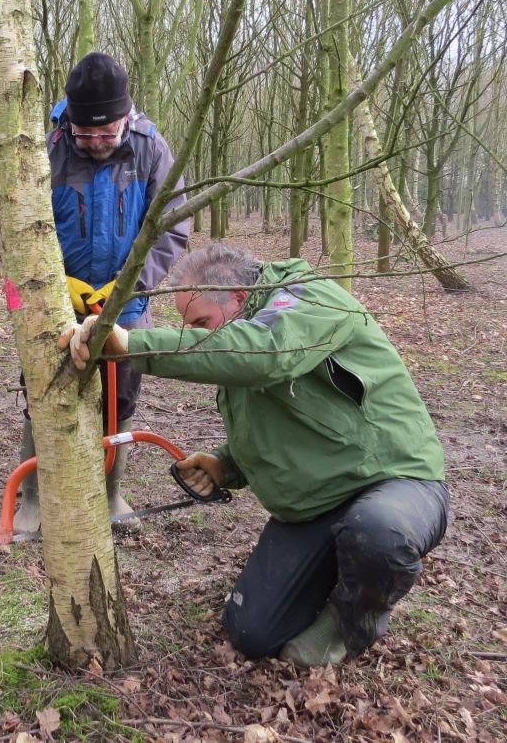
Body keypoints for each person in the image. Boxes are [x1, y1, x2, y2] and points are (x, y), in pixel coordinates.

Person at [61, 242, 449, 666]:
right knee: (253, 633)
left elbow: (265, 356)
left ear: (239, 298)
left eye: (202, 323)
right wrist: (226, 464)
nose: (200, 335)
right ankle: (342, 570)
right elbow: (280, 418)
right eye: (190, 326)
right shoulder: (243, 334)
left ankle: (352, 621)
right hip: (316, 502)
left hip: (395, 480)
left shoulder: (305, 297)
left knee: (379, 532)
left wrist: (131, 343)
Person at [15, 52, 190, 536]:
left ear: (125, 117)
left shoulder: (151, 148)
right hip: (53, 298)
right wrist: (56, 284)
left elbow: (172, 228)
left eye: (105, 134)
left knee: (122, 397)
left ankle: (112, 493)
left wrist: (126, 286)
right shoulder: (42, 146)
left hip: (126, 302)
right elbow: (20, 224)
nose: (94, 143)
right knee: (44, 391)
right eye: (84, 134)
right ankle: (32, 499)